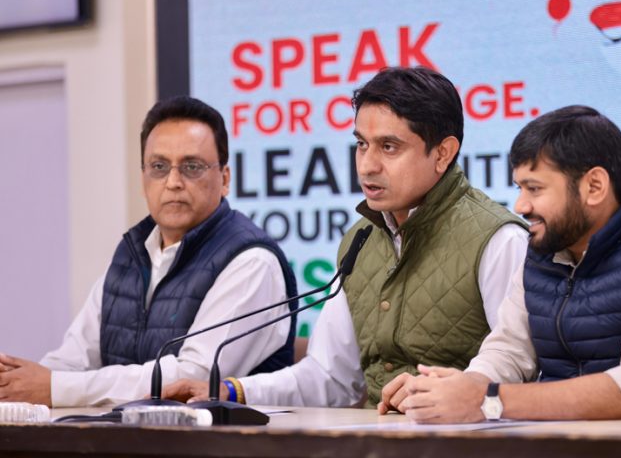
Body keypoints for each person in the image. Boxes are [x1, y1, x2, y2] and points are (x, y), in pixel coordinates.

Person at [161, 66, 529, 408]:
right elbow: (329, 377)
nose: (367, 165)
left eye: (389, 147)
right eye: (362, 144)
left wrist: (465, 393)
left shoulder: (499, 240)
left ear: (443, 153)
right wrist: (230, 390)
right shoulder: (361, 239)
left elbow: (516, 363)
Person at [387, 105, 621, 423]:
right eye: (520, 188)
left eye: (534, 188)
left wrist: (488, 401)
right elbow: (509, 349)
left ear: (594, 187)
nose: (521, 205)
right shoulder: (544, 246)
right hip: (559, 443)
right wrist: (455, 390)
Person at [0, 96, 297, 407]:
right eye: (158, 167)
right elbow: (72, 360)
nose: (173, 182)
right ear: (143, 179)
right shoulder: (132, 253)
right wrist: (15, 382)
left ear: (224, 179)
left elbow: (190, 379)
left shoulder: (252, 261)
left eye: (192, 167)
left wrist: (56, 388)